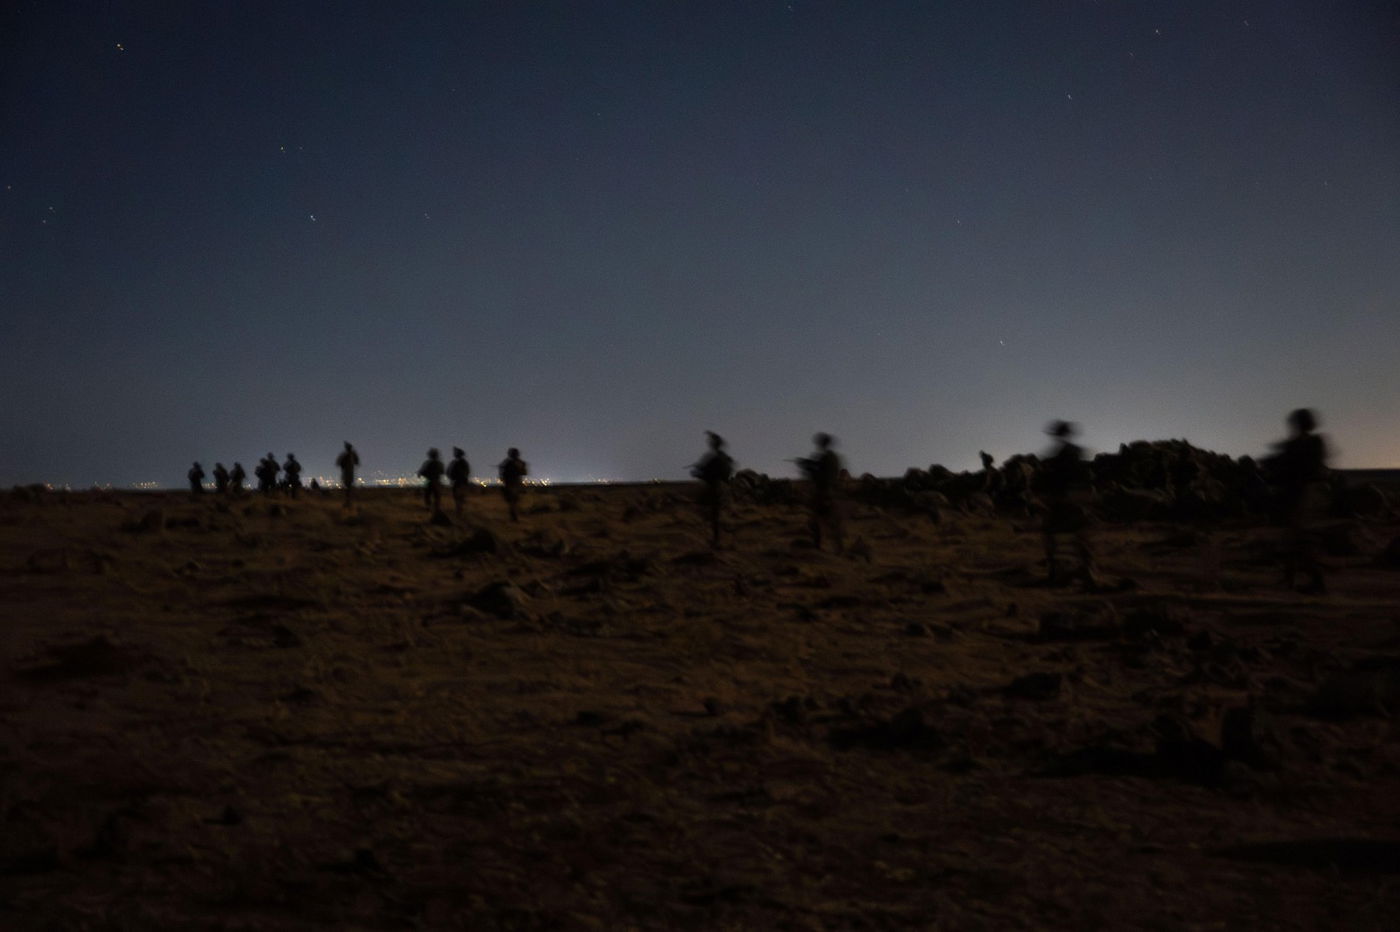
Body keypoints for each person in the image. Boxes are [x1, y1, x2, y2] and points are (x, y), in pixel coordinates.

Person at [1265, 408, 1330, 593]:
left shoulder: (1310, 443)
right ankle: (1290, 579)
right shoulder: (1307, 443)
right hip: (1301, 495)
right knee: (1293, 539)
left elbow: (1302, 467)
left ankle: (1316, 581)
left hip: (1304, 495)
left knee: (1298, 540)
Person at [1039, 420, 1097, 586]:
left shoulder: (1060, 456)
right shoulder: (1077, 452)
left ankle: (1055, 573)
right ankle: (1087, 571)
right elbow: (1086, 476)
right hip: (1079, 499)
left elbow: (1056, 479)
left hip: (1063, 500)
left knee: (1050, 534)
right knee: (1080, 537)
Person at [796, 433, 845, 553]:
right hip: (832, 492)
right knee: (831, 522)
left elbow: (819, 475)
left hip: (823, 492)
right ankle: (838, 548)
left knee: (816, 521)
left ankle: (817, 547)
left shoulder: (825, 458)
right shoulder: (833, 457)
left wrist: (808, 468)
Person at [690, 431, 735, 548]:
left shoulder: (713, 459)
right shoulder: (726, 458)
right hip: (724, 489)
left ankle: (717, 541)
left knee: (713, 516)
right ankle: (723, 541)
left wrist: (698, 472)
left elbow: (706, 474)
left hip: (714, 489)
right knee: (720, 516)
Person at [498, 447, 528, 522]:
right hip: (514, 483)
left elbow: (502, 473)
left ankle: (514, 516)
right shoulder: (517, 462)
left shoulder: (508, 462)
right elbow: (524, 472)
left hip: (512, 483)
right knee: (513, 501)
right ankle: (514, 516)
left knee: (513, 501)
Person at [418, 448, 446, 514]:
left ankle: (429, 508)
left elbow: (422, 472)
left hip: (428, 481)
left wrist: (422, 474)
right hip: (437, 481)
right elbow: (442, 472)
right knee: (437, 496)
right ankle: (437, 509)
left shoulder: (427, 463)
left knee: (427, 495)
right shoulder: (440, 463)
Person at [447, 447, 471, 518]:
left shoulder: (455, 463)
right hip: (463, 482)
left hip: (458, 483)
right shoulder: (465, 463)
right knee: (461, 497)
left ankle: (459, 512)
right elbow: (467, 472)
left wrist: (452, 477)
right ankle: (460, 511)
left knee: (457, 497)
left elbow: (449, 472)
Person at [336, 442, 360, 509]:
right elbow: (357, 462)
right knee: (348, 487)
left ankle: (348, 502)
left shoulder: (348, 455)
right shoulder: (349, 455)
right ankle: (348, 502)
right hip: (348, 473)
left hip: (348, 474)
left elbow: (339, 463)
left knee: (348, 488)